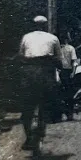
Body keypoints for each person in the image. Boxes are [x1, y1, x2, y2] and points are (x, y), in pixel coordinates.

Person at [16, 15, 62, 152]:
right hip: (45, 72)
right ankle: (42, 130)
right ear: (46, 25)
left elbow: (21, 55)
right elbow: (59, 59)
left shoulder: (26, 37)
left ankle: (29, 136)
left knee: (26, 106)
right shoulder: (53, 38)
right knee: (47, 103)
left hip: (29, 73)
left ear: (33, 25)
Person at [58, 32, 79, 121]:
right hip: (65, 71)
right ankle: (67, 113)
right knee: (66, 93)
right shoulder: (68, 48)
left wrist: (73, 72)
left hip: (64, 71)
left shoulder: (65, 48)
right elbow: (74, 61)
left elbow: (74, 61)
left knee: (65, 93)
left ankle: (66, 113)